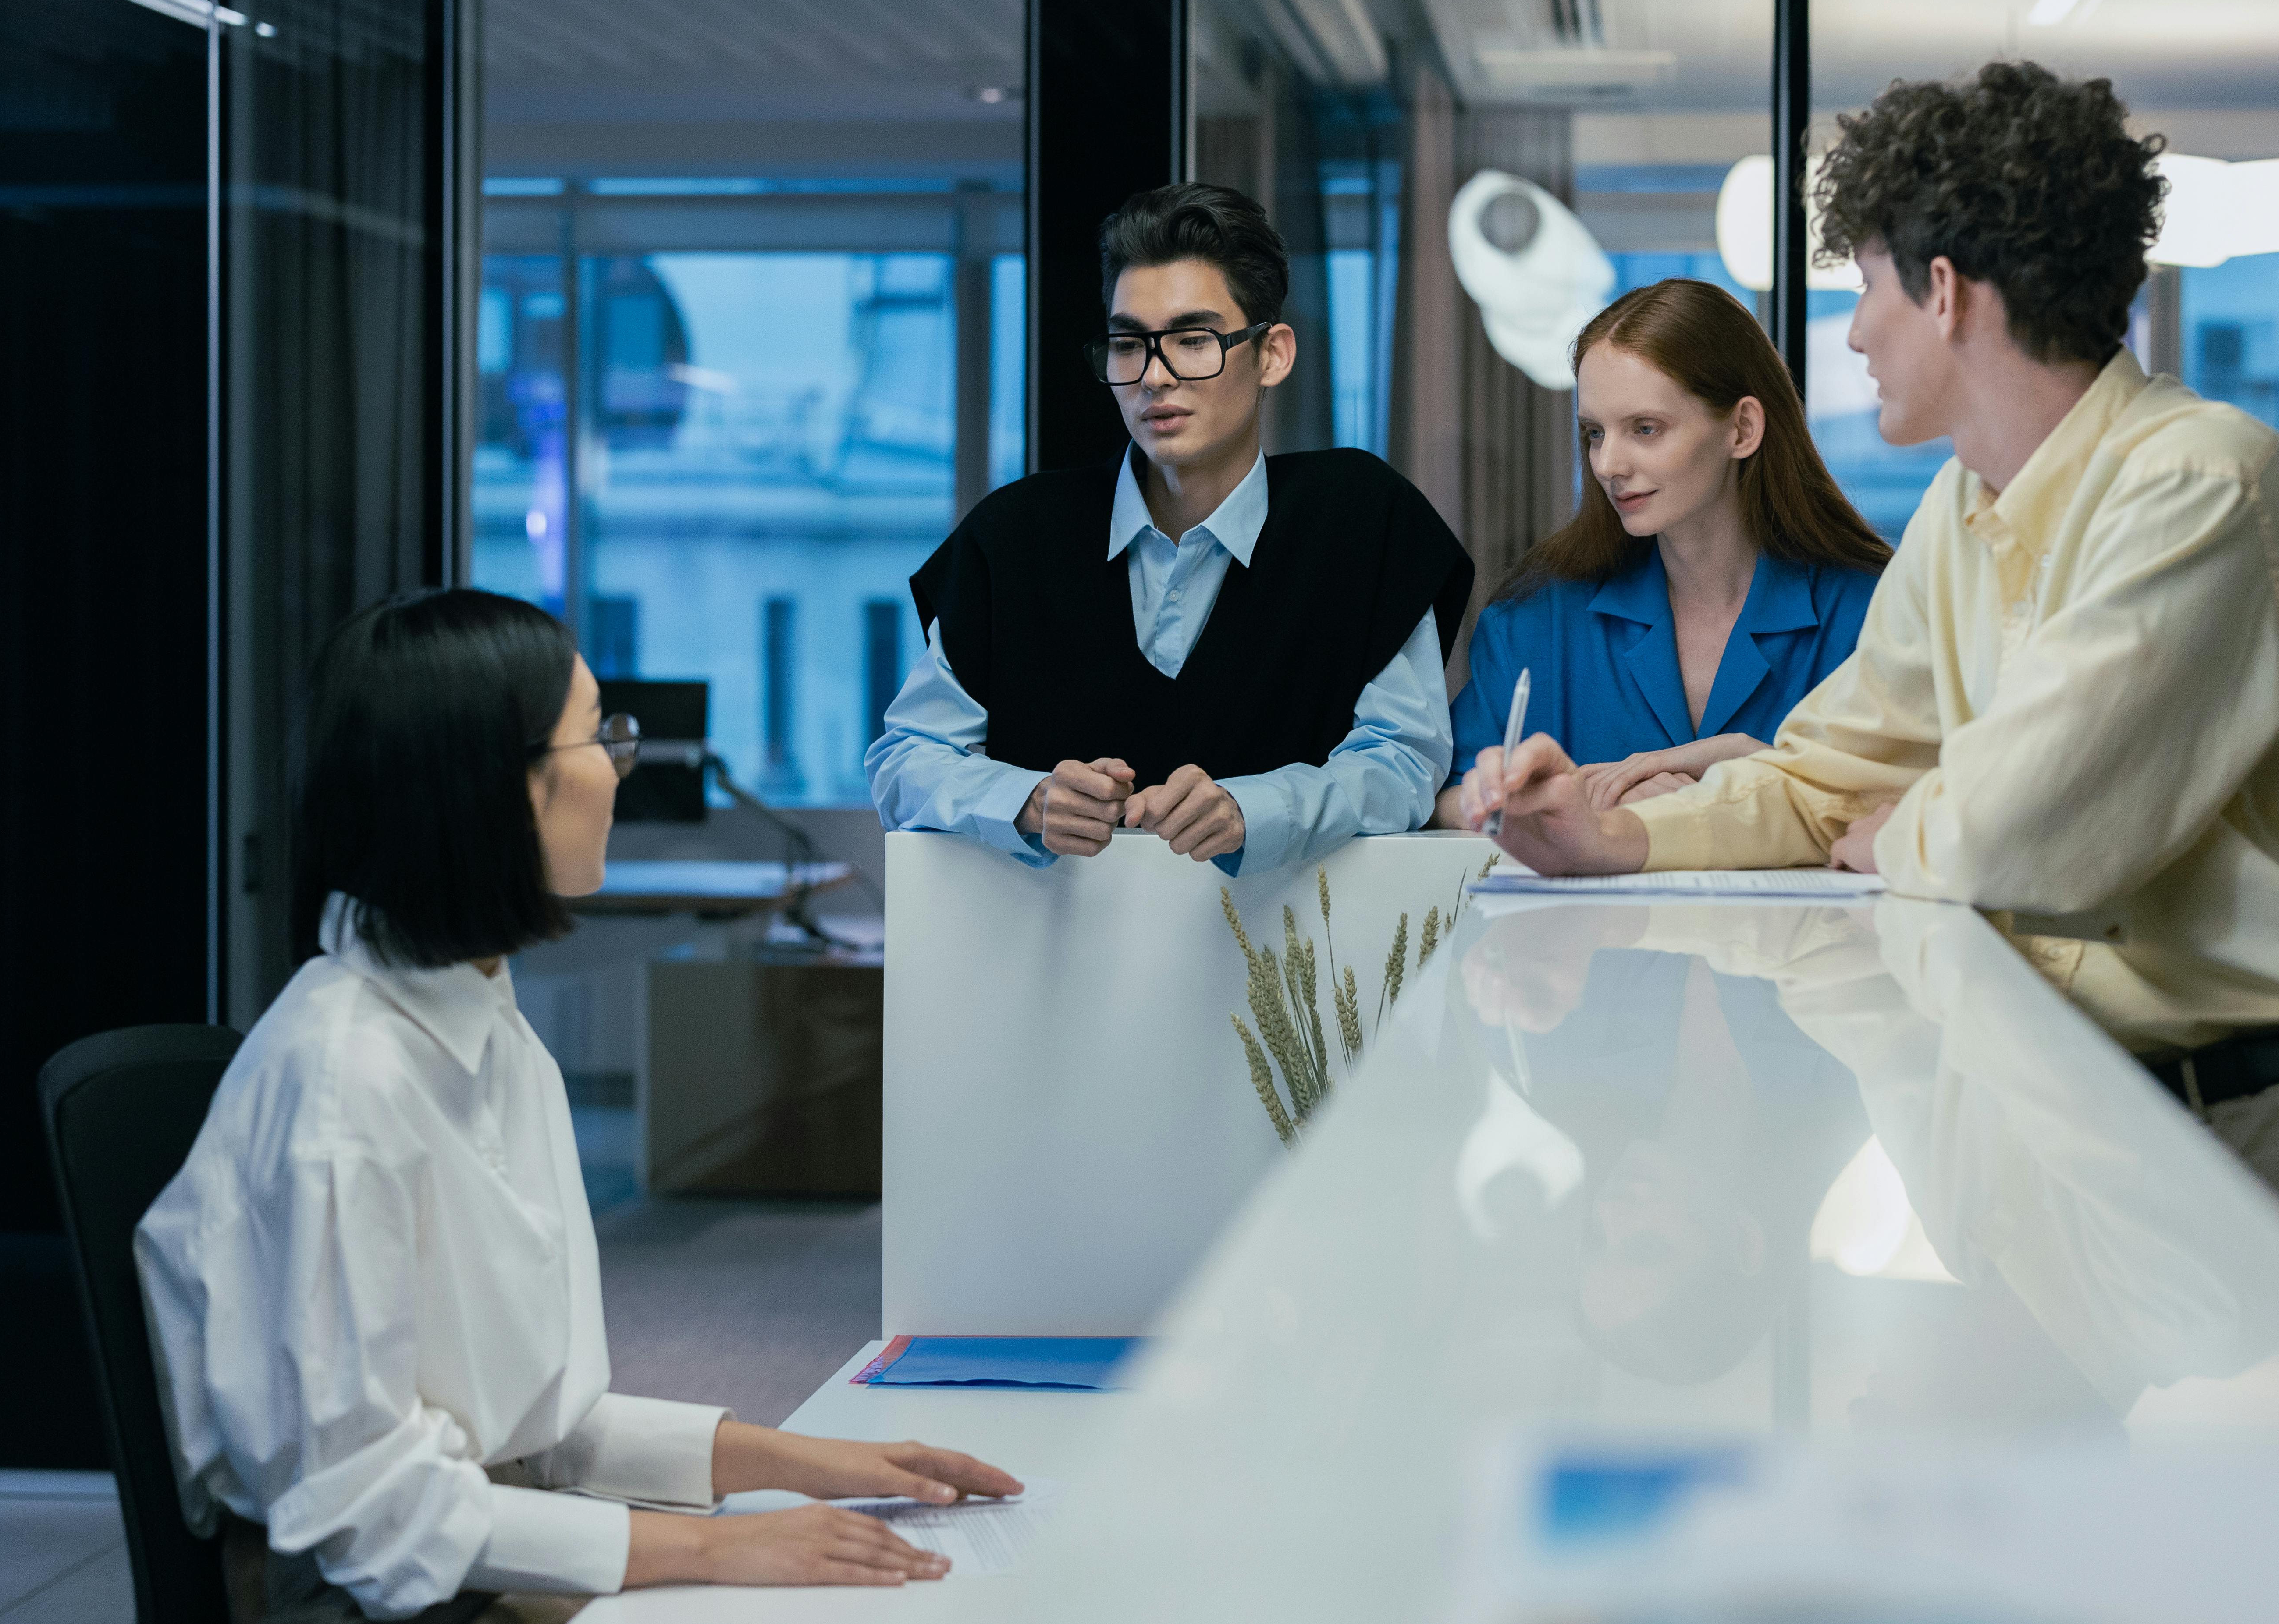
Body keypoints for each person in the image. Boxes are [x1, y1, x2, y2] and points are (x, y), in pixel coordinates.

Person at [1469, 63, 2279, 1363]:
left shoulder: (2202, 487)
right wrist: (1605, 840)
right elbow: (1820, 777)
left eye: (1866, 292)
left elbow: (2019, 839)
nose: (1847, 338)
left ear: (1942, 292)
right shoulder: (1966, 510)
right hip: (2114, 1138)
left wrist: (1912, 825)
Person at [139, 590, 1022, 1623]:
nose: (618, 766)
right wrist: (717, 1545)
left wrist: (807, 1460)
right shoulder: (344, 1081)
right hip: (372, 1594)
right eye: (599, 734)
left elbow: (535, 1425)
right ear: (490, 789)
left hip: (473, 1535)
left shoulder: (483, 1014)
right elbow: (369, 1512)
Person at [868, 182, 1472, 875]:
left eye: (1194, 340)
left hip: (1290, 962)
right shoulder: (1015, 535)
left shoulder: (1363, 520)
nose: (1155, 376)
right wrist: (1025, 799)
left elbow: (1405, 762)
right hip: (1050, 961)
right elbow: (904, 759)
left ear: (1272, 353)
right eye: (1130, 344)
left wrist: (1256, 808)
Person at [1433, 277, 1889, 828]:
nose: (1607, 465)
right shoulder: (1535, 623)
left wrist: (1763, 774)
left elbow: (1923, 809)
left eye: (1645, 429)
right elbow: (1445, 796)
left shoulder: (1873, 617)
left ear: (1742, 429)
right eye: (1595, 433)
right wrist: (1572, 802)